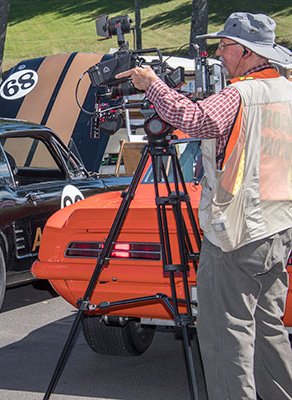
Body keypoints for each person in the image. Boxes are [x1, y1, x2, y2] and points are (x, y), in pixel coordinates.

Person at [116, 12, 292, 400]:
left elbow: (195, 121)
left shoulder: (240, 94)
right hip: (278, 229)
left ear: (246, 53)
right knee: (268, 327)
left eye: (225, 46)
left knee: (225, 333)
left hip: (237, 232)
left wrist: (154, 86)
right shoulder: (285, 89)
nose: (218, 53)